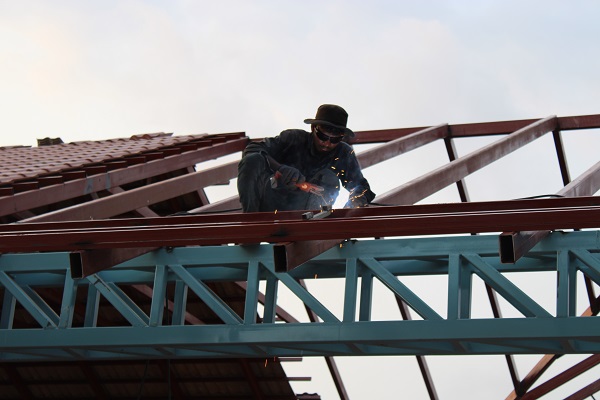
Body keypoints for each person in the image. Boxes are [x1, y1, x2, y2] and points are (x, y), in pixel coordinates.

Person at [237, 104, 375, 212]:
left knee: (330, 178)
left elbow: (361, 187)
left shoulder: (343, 153)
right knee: (253, 160)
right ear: (313, 128)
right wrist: (280, 168)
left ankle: (312, 227)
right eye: (323, 137)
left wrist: (354, 204)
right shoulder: (293, 139)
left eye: (335, 140)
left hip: (305, 212)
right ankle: (250, 220)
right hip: (271, 202)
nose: (327, 144)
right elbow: (252, 149)